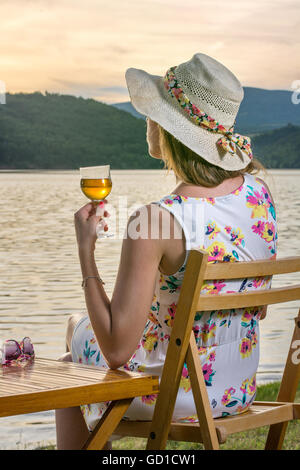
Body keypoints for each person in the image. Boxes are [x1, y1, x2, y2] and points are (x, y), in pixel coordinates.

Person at [55, 53, 277, 450]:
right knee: (76, 352)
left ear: (169, 129)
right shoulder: (259, 196)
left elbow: (117, 351)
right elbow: (257, 308)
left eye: (152, 111)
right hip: (235, 387)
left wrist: (85, 252)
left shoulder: (155, 221)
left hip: (179, 392)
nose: (147, 120)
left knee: (72, 356)